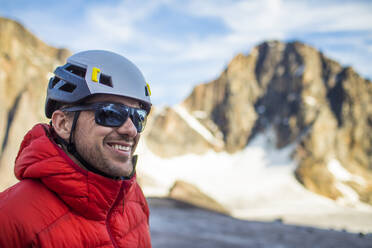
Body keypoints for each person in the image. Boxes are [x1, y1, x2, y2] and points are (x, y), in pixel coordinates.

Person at [0, 50, 152, 247]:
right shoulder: (9, 217)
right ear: (63, 124)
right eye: (111, 113)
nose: (131, 129)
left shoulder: (134, 201)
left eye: (138, 117)